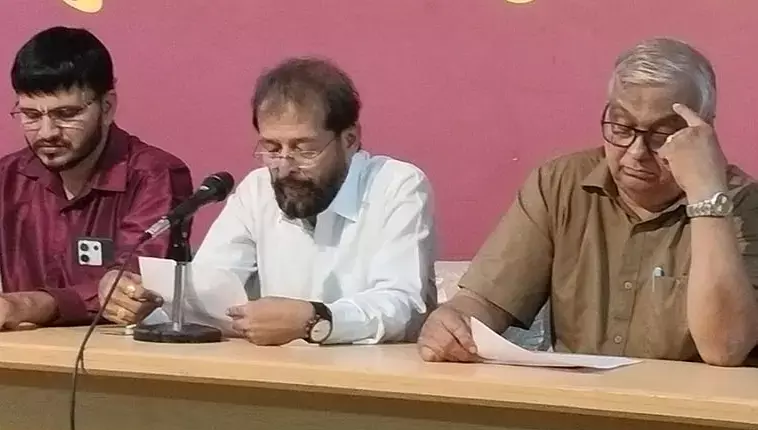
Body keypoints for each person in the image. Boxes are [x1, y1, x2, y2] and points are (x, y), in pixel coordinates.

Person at [418, 37, 758, 367]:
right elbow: (485, 301)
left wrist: (706, 197)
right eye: (621, 128)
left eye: (662, 135)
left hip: (689, 404)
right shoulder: (560, 184)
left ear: (703, 131)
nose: (636, 152)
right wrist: (454, 321)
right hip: (577, 400)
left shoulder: (745, 204)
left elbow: (724, 349)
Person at [100, 57, 436, 345]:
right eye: (272, 149)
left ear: (350, 139)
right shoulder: (257, 189)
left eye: (304, 149)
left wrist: (315, 320)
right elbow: (210, 289)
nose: (285, 167)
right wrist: (144, 303)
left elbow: (401, 307)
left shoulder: (396, 185)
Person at [0, 26, 193, 329]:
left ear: (107, 107)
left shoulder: (155, 176)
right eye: (31, 116)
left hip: (121, 354)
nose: (47, 132)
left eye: (66, 114)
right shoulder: (6, 178)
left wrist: (32, 305)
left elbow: (131, 286)